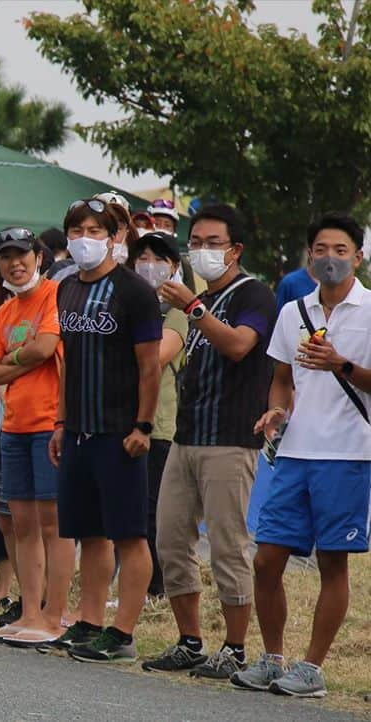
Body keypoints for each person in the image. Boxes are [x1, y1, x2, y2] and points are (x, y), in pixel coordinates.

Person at [232, 213, 370, 699]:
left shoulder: (370, 310)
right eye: (320, 249)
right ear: (308, 256)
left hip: (349, 455)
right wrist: (275, 410)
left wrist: (343, 365)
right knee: (267, 560)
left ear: (358, 256)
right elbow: (283, 378)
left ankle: (312, 668)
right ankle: (272, 658)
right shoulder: (293, 311)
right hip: (293, 453)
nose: (329, 258)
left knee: (333, 563)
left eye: (340, 249)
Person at [140, 206, 276, 679]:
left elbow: (240, 345)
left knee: (227, 545)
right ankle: (189, 641)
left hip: (232, 439)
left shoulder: (253, 293)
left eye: (212, 242)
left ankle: (235, 649)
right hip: (187, 435)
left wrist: (193, 309)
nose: (200, 250)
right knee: (171, 539)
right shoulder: (196, 298)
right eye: (194, 241)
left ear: (235, 249)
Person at [46, 198, 162, 662]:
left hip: (121, 432)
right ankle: (89, 621)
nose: (84, 239)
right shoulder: (67, 288)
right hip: (78, 430)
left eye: (96, 230)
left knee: (129, 534)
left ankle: (123, 632)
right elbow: (67, 362)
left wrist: (143, 425)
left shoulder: (134, 291)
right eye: (77, 230)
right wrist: (59, 422)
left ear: (115, 236)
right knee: (89, 533)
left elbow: (150, 367)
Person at [0, 227, 73, 645]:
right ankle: (30, 611)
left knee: (53, 524)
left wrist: (13, 361)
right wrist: (26, 356)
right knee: (21, 525)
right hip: (13, 426)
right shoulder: (3, 313)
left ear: (38, 256)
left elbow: (46, 346)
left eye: (22, 255)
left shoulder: (55, 294)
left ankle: (56, 615)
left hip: (49, 423)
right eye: (5, 257)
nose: (15, 264)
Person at [124, 232, 188, 600]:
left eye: (158, 258)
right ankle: (136, 583)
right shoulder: (131, 304)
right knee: (132, 509)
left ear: (174, 267)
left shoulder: (177, 313)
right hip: (125, 417)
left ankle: (155, 587)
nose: (150, 265)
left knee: (152, 511)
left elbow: (157, 358)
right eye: (143, 257)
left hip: (160, 422)